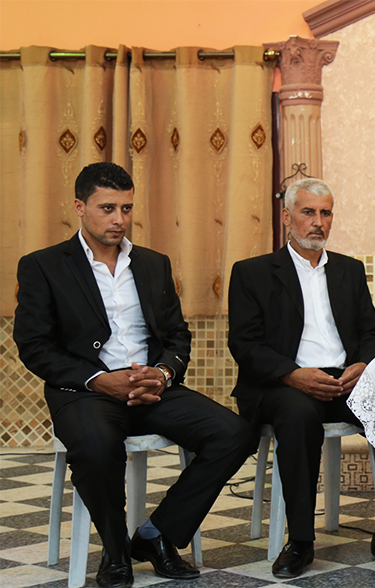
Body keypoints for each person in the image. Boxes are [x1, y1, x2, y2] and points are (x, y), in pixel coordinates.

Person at [13, 162, 253, 588]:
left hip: (151, 387)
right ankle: (115, 549)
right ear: (80, 207)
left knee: (234, 433)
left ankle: (158, 534)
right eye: (107, 208)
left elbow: (177, 335)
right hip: (85, 391)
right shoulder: (44, 265)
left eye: (126, 208)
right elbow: (34, 345)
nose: (119, 219)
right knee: (96, 445)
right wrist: (97, 379)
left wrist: (162, 373)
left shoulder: (153, 264)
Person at [227, 178, 375, 579]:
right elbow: (245, 344)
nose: (318, 222)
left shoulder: (349, 270)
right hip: (282, 384)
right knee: (297, 415)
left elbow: (369, 332)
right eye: (308, 212)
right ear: (287, 217)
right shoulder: (252, 273)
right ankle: (300, 540)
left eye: (325, 213)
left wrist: (363, 364)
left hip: (343, 381)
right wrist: (292, 374)